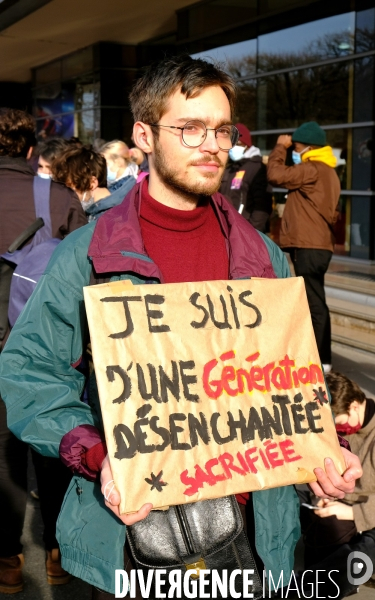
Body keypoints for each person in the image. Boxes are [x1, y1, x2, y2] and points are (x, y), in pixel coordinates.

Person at [0, 58, 361, 599]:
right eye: (189, 128)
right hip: (136, 539)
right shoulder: (91, 254)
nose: (211, 144)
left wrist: (320, 451)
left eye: (221, 129)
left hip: (253, 543)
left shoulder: (262, 255)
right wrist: (97, 454)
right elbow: (29, 369)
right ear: (144, 136)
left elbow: (289, 381)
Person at [0, 108, 87, 593]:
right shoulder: (57, 198)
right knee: (54, 443)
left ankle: (8, 559)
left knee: (0, 455)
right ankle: (57, 551)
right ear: (32, 150)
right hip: (45, 345)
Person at [294, 372, 375, 599]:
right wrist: (321, 494)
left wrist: (352, 512)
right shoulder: (341, 426)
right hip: (339, 500)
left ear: (355, 406)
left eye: (339, 425)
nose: (339, 433)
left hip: (367, 511)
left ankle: (305, 587)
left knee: (358, 556)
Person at [267, 122, 340, 373]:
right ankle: (324, 358)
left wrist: (279, 147)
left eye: (295, 148)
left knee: (313, 302)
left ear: (309, 147)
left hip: (309, 246)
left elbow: (276, 174)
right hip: (318, 245)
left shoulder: (312, 169)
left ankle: (319, 360)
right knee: (316, 299)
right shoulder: (328, 171)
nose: (293, 152)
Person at [52, 145, 136, 220]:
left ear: (92, 183)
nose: (63, 195)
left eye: (69, 187)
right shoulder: (92, 213)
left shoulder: (113, 219)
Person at [220, 123, 272, 232]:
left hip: (246, 231)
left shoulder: (257, 168)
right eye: (231, 144)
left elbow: (262, 205)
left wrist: (252, 231)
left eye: (237, 144)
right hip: (227, 228)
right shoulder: (229, 169)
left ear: (247, 146)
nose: (233, 148)